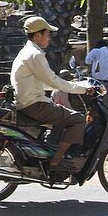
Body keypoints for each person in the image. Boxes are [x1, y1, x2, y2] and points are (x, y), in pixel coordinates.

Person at [11, 16, 91, 175]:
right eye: (47, 34)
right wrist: (82, 89)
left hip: (29, 101)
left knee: (63, 115)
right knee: (78, 119)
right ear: (38, 35)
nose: (49, 38)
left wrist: (77, 86)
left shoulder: (27, 52)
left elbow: (45, 82)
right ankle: (56, 160)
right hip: (34, 105)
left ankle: (51, 152)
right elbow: (54, 81)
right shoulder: (35, 55)